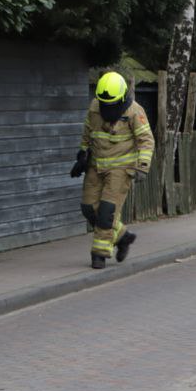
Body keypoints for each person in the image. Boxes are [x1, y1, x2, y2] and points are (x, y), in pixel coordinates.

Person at [71, 72, 154, 269]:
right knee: (88, 208)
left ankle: (99, 254)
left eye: (111, 104)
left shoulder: (134, 111)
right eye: (104, 103)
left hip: (120, 169)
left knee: (107, 212)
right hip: (96, 165)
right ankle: (122, 236)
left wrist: (142, 166)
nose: (107, 108)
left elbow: (146, 140)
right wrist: (82, 155)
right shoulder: (95, 106)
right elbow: (88, 130)